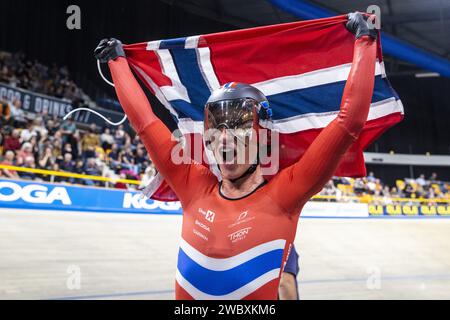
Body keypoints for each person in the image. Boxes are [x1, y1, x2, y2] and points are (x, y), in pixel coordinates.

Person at [94, 12, 378, 300]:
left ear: (263, 136)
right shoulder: (192, 183)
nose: (224, 138)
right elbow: (145, 124)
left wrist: (365, 41)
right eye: (216, 129)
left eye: (239, 128)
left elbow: (348, 123)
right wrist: (116, 62)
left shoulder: (285, 194)